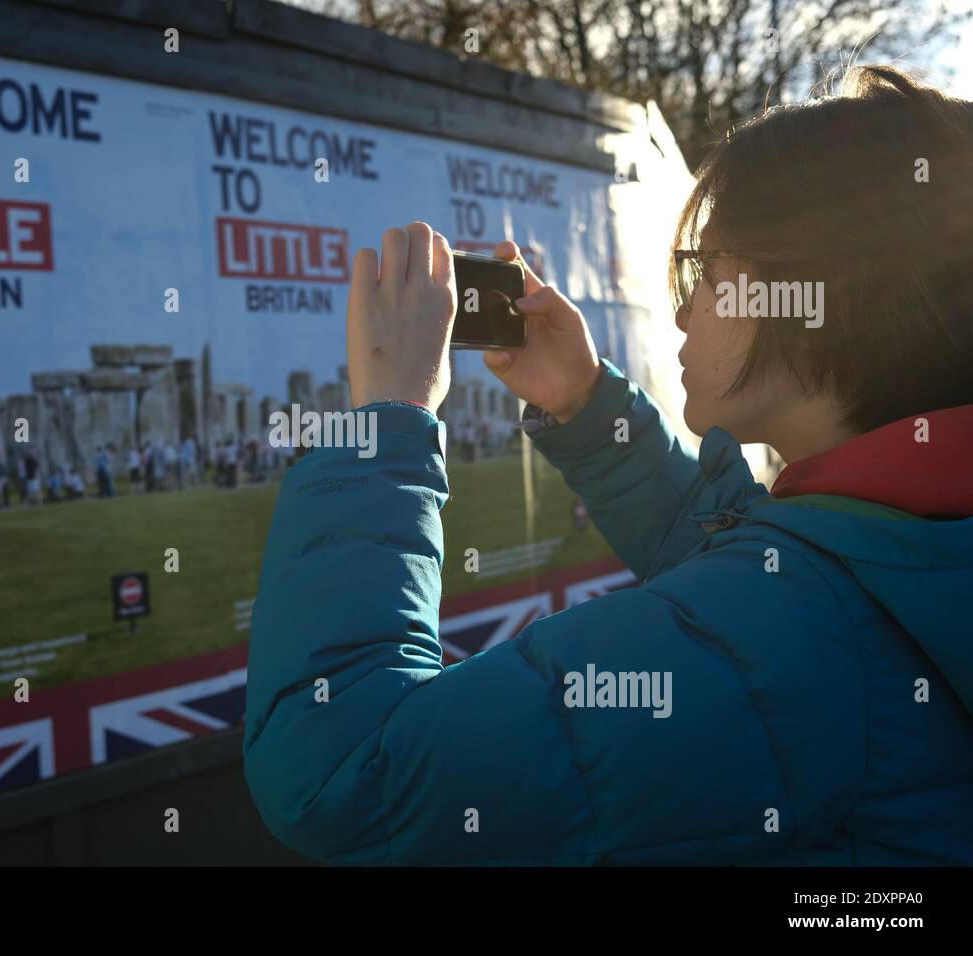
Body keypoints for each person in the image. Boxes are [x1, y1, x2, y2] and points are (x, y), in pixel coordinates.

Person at [243, 67, 973, 866]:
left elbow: (343, 768)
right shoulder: (907, 531)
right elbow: (758, 590)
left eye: (707, 271)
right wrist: (588, 408)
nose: (683, 309)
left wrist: (387, 419)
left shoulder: (796, 636)